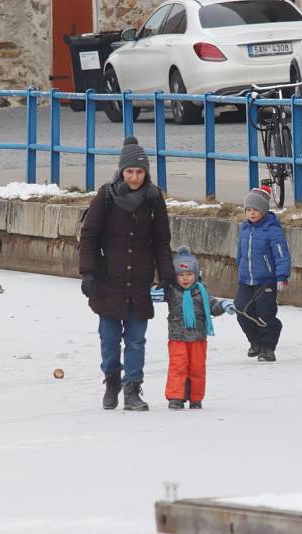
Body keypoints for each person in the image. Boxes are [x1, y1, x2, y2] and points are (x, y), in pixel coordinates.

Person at [78, 136, 174, 411]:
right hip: (109, 282)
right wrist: (88, 272)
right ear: (121, 171)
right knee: (109, 339)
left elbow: (161, 242)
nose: (134, 177)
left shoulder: (154, 199)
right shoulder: (106, 196)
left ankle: (133, 388)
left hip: (139, 283)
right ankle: (112, 380)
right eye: (130, 171)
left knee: (135, 339)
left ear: (146, 173)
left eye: (139, 172)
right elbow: (89, 236)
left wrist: (166, 277)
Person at [153, 246, 235, 410]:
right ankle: (176, 396)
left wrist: (223, 305)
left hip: (198, 338)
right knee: (178, 366)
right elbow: (156, 294)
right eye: (181, 275)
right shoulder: (171, 291)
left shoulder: (202, 292)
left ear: (196, 275)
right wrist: (154, 293)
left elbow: (213, 306)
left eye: (189, 275)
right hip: (177, 338)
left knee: (197, 368)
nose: (185, 279)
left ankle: (195, 398)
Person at [234, 186, 291, 362]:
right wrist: (239, 265)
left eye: (256, 210)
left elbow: (281, 255)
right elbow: (241, 252)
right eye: (248, 210)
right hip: (246, 279)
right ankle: (255, 341)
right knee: (242, 310)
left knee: (264, 313)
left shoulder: (272, 230)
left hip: (266, 280)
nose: (251, 213)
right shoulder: (244, 228)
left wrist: (282, 276)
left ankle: (267, 348)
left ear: (264, 211)